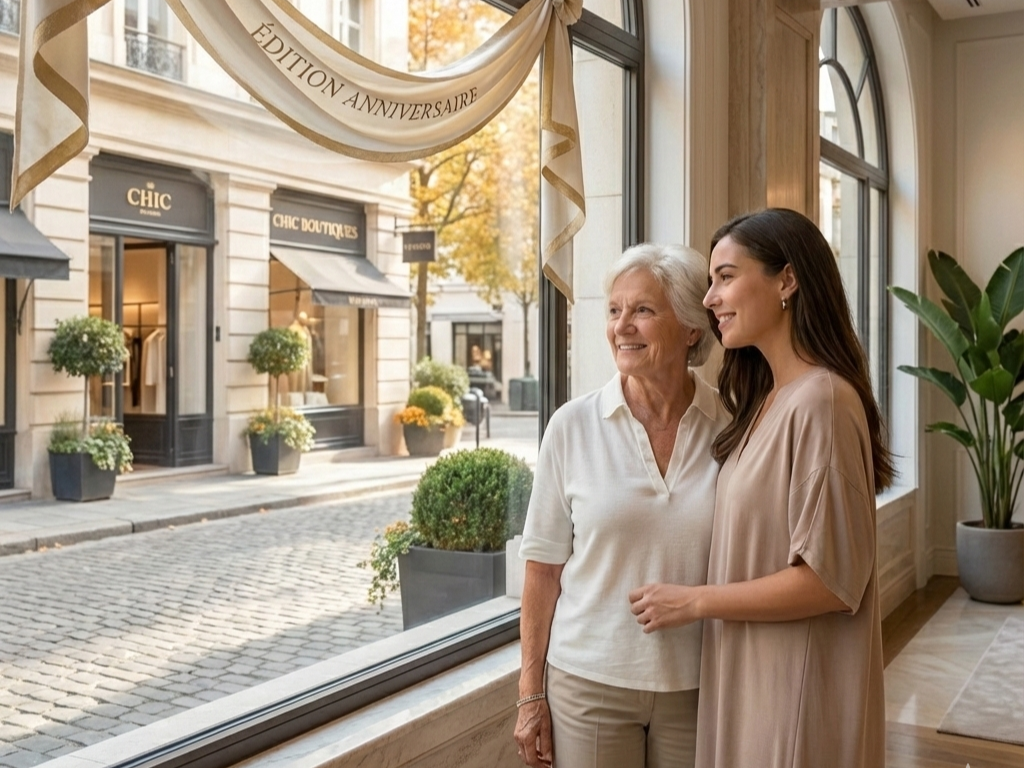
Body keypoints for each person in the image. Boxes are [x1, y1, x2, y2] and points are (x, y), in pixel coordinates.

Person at [628, 209, 894, 768]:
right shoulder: (766, 400)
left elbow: (830, 582)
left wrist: (695, 600)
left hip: (793, 691)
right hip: (751, 677)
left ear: (787, 281)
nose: (709, 298)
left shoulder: (822, 400)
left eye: (726, 277)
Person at [513, 243, 730, 768]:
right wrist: (529, 693)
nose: (621, 326)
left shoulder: (730, 426)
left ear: (691, 328)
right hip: (588, 683)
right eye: (614, 311)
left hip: (699, 682)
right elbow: (541, 570)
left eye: (643, 311)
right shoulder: (571, 426)